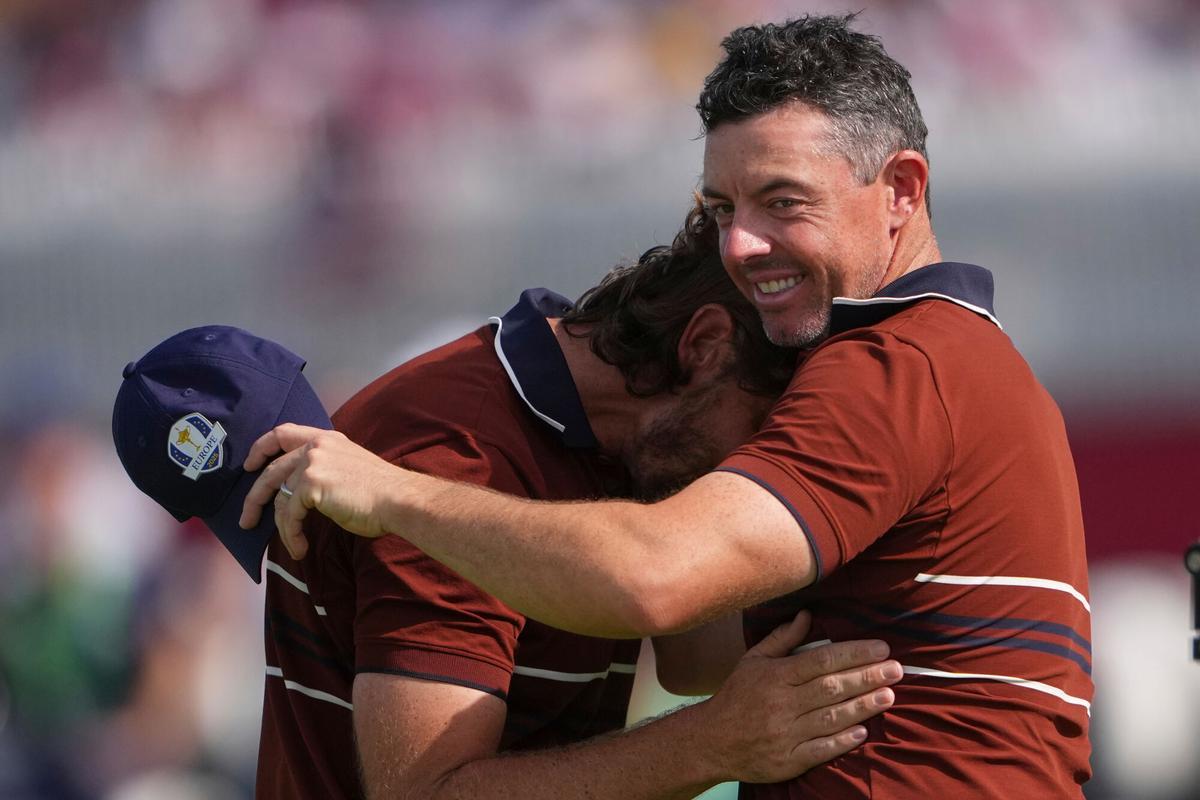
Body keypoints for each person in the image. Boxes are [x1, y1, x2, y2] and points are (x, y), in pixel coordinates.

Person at [242, 14, 1092, 798]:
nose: (742, 244)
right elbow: (701, 650)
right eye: (723, 209)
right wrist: (711, 741)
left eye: (783, 201)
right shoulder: (952, 361)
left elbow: (656, 582)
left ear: (901, 190)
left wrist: (392, 494)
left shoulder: (890, 367)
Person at [115, 205, 902, 800]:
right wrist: (718, 745)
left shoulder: (631, 439)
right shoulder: (446, 454)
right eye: (769, 429)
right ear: (700, 348)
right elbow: (428, 792)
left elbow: (697, 657)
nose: (766, 469)